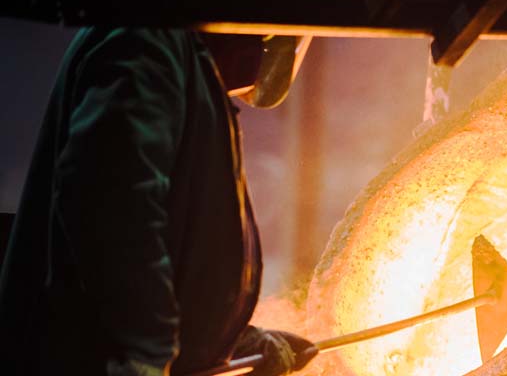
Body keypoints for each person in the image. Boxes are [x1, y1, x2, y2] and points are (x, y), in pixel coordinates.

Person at [0, 27, 315, 375]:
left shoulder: (178, 54)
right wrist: (144, 354)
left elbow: (175, 245)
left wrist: (231, 338)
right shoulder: (145, 42)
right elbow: (113, 206)